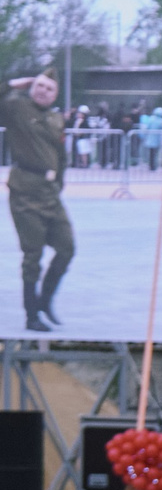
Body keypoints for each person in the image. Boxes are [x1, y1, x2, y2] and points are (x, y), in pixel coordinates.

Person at [3, 71, 74, 331]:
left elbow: (61, 155)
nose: (43, 91)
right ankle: (31, 315)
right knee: (33, 254)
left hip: (49, 191)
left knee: (67, 248)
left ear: (55, 95)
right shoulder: (16, 107)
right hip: (25, 191)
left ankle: (45, 301)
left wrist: (59, 184)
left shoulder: (56, 118)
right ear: (32, 87)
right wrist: (13, 84)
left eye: (49, 89)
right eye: (40, 85)